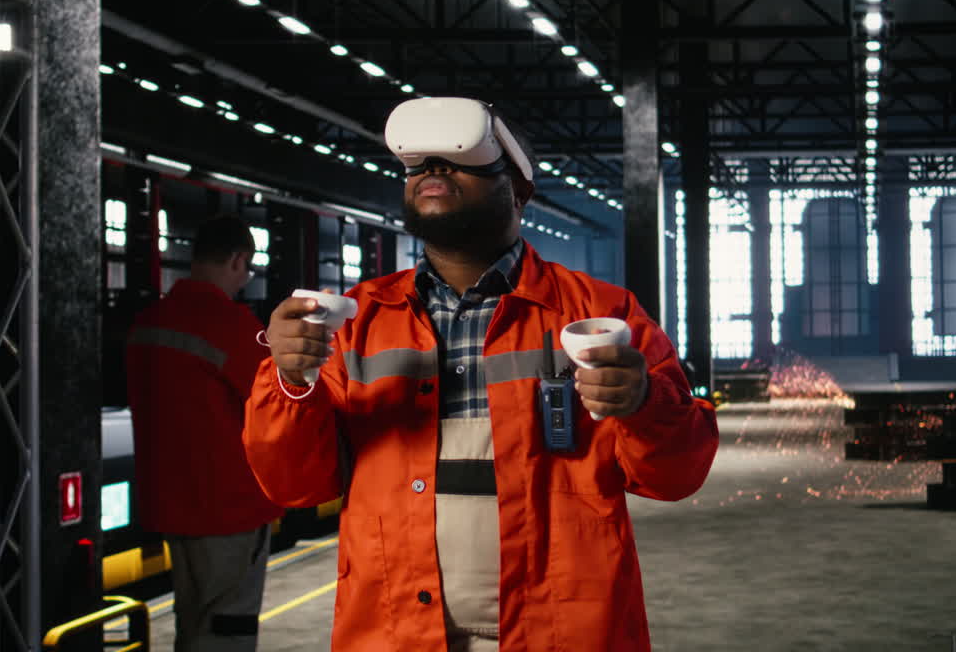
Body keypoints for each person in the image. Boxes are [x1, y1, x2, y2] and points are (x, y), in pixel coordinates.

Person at [243, 98, 719, 651]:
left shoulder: (601, 316)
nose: (433, 171)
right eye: (419, 164)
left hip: (562, 633)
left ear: (518, 190)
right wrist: (291, 381)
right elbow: (294, 485)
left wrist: (643, 402)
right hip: (397, 632)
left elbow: (676, 476)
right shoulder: (352, 323)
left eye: (459, 159)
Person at [125, 214, 282, 652]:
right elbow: (280, 404)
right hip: (228, 510)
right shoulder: (234, 327)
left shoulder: (148, 323)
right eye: (246, 268)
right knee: (226, 630)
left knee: (190, 624)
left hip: (171, 505)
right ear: (237, 259)